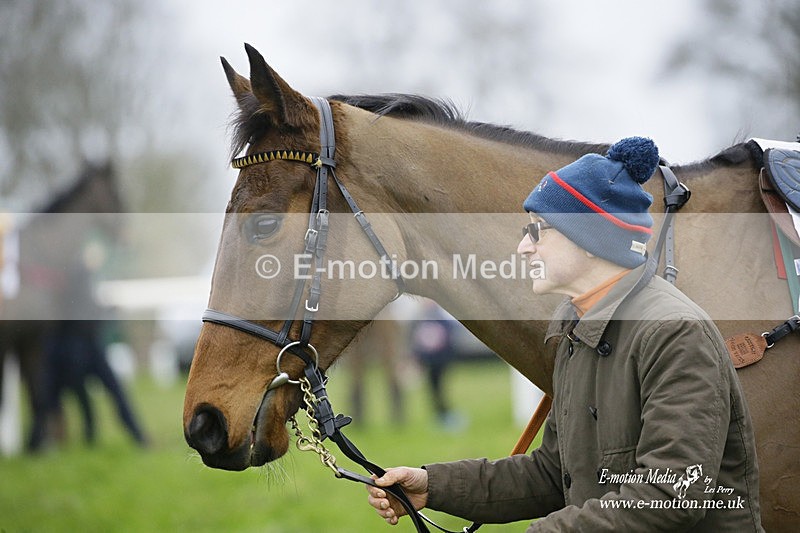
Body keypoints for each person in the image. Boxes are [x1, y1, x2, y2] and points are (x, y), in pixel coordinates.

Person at [366, 137, 763, 531]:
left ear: (590, 239)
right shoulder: (577, 330)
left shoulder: (674, 334)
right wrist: (433, 487)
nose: (523, 247)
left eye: (539, 230)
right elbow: (554, 474)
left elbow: (671, 494)